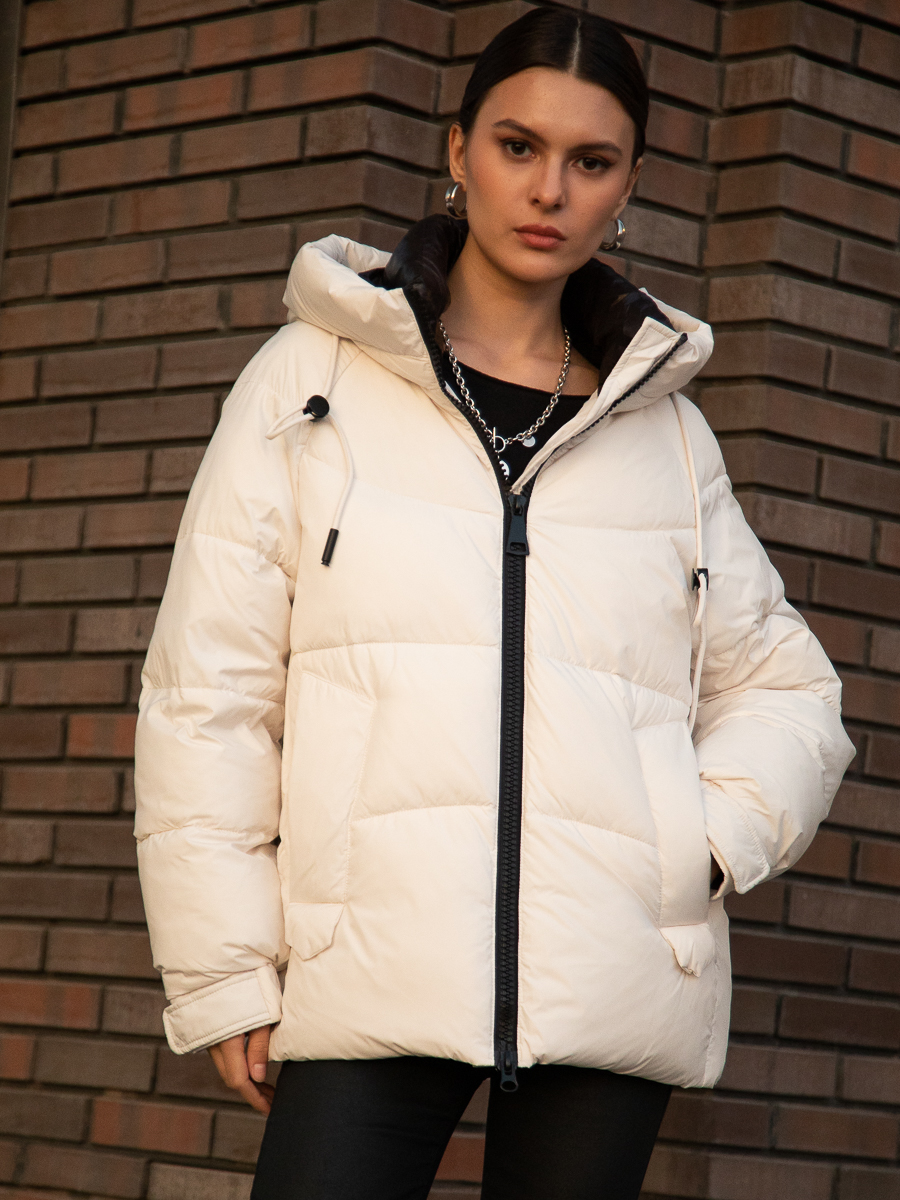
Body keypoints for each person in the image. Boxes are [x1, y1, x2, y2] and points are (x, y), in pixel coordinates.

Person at [133, 9, 855, 1199]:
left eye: (591, 161)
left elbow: (789, 688)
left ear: (628, 186)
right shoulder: (312, 381)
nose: (549, 190)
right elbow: (208, 691)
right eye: (519, 146)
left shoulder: (666, 432)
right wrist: (225, 967)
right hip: (366, 958)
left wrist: (695, 851)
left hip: (610, 977)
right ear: (458, 150)